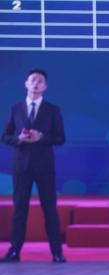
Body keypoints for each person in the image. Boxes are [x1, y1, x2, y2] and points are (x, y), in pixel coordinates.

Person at [1, 69, 66, 263]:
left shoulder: (52, 110)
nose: (36, 83)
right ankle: (14, 251)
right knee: (20, 208)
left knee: (49, 208)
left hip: (44, 166)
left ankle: (57, 252)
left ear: (45, 86)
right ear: (26, 84)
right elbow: (5, 136)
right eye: (33, 80)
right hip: (21, 165)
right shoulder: (15, 108)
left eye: (40, 81)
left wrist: (42, 137)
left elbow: (61, 138)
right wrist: (19, 139)